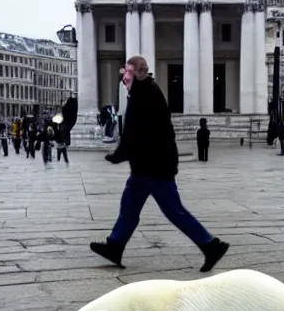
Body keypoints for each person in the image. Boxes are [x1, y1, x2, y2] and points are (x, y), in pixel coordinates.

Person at [89, 55, 230, 272]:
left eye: (127, 71)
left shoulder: (145, 94)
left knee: (173, 211)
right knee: (129, 206)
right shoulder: (142, 91)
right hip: (145, 166)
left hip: (154, 167)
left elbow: (135, 133)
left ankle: (210, 245)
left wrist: (118, 155)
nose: (123, 76)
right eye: (123, 72)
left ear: (139, 73)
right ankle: (115, 245)